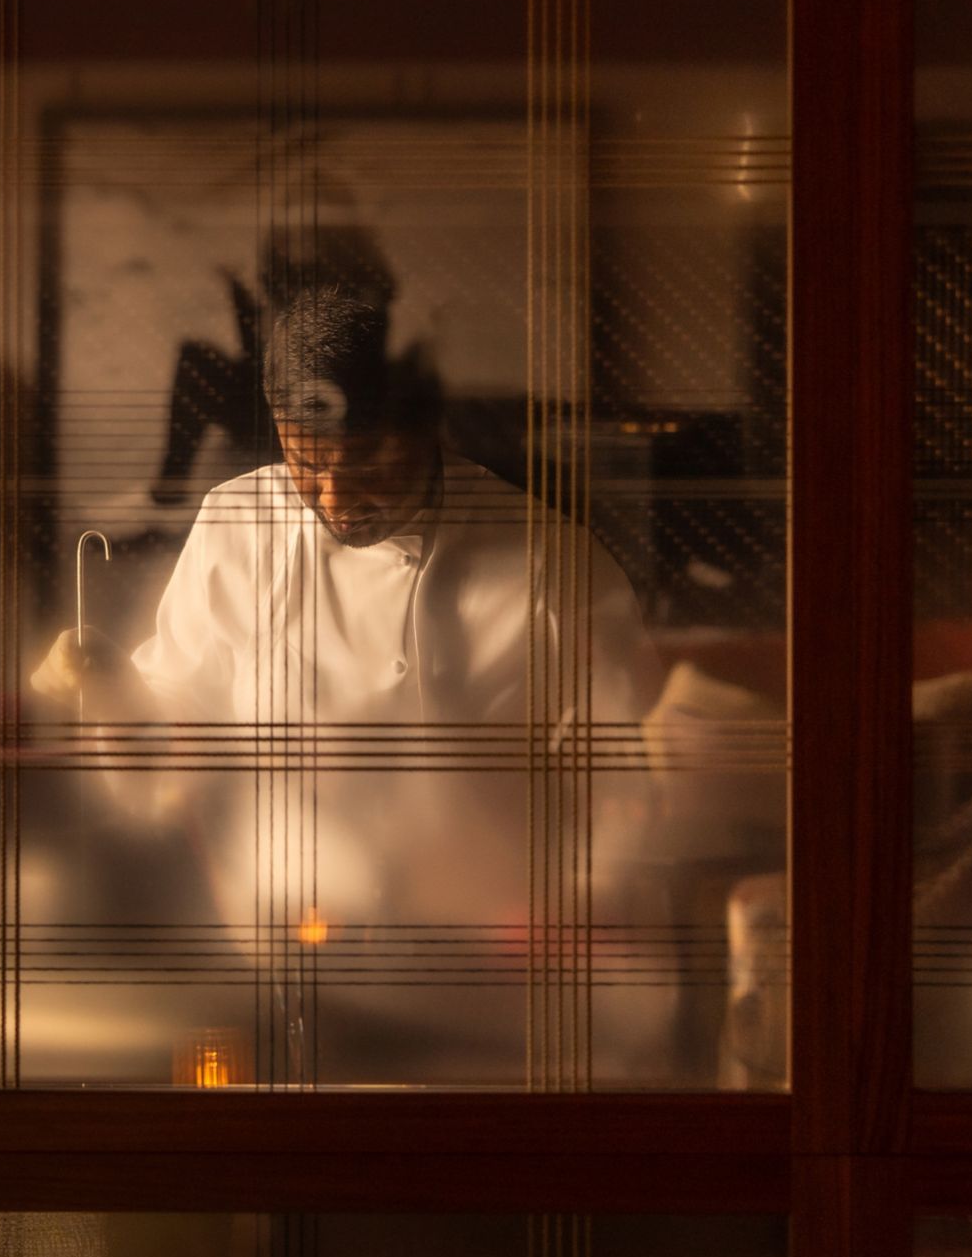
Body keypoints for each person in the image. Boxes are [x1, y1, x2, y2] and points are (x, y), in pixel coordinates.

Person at [33, 278, 666, 1083]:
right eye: (305, 462)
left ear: (424, 428)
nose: (333, 498)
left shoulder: (554, 568)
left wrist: (575, 909)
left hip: (479, 993)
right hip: (273, 969)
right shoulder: (238, 526)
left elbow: (627, 787)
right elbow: (173, 749)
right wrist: (109, 692)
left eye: (366, 463)